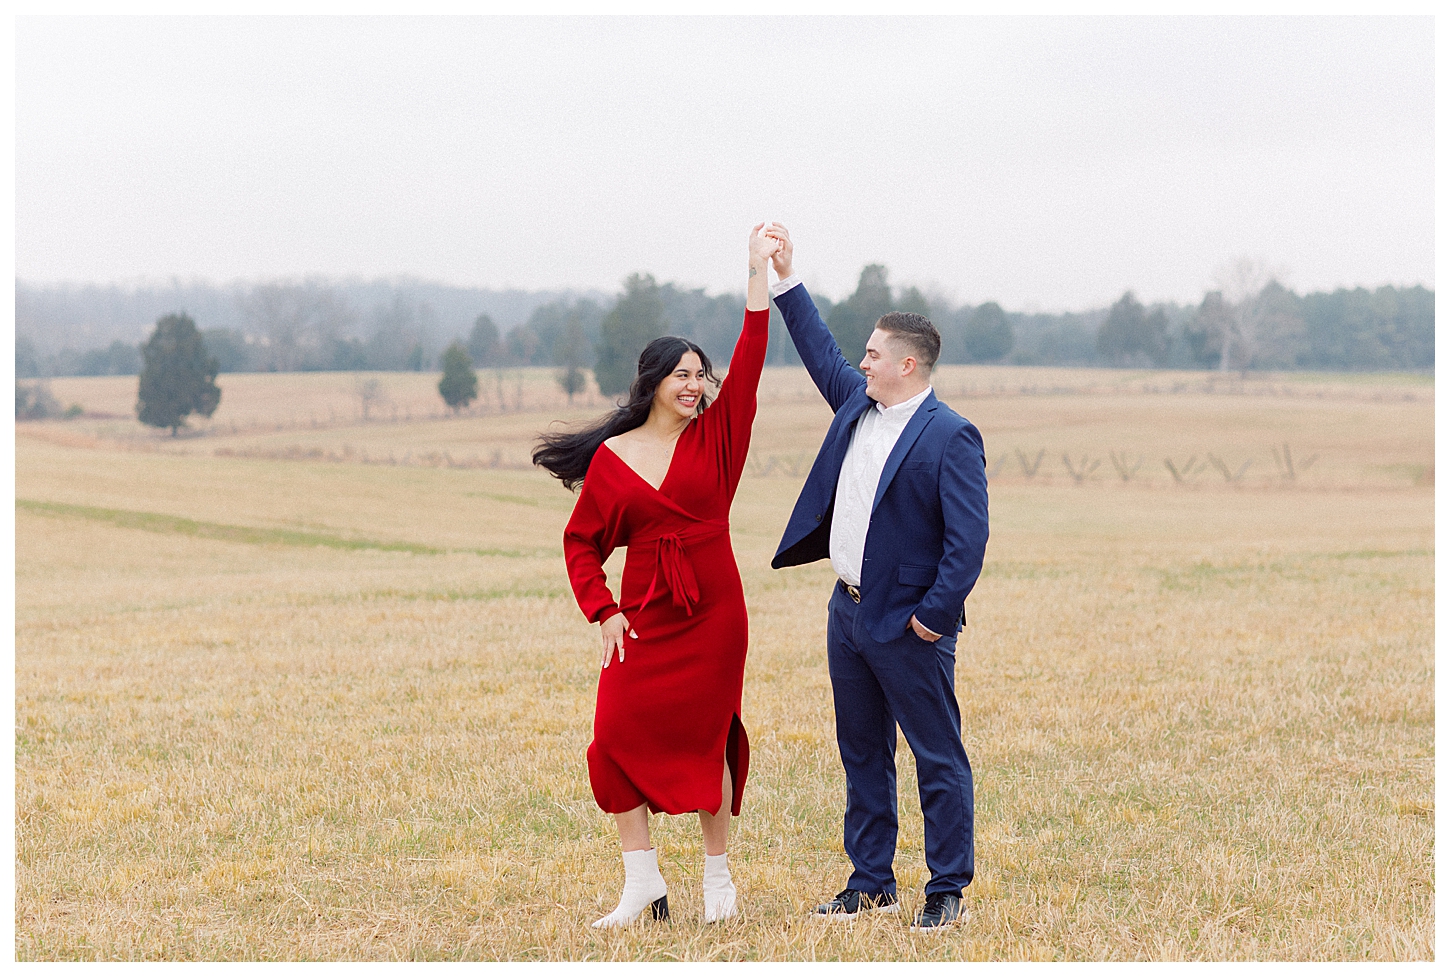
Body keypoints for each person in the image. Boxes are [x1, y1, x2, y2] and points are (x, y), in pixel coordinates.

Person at [532, 225, 779, 928]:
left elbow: (754, 353)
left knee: (709, 735)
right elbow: (581, 543)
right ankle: (641, 879)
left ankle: (718, 880)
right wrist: (603, 610)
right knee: (612, 732)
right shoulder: (612, 459)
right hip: (644, 614)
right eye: (683, 375)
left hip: (715, 612)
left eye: (702, 374)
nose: (697, 385)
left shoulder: (721, 435)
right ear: (654, 383)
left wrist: (755, 270)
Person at [763, 223, 989, 932]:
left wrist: (932, 616)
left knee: (935, 756)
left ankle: (946, 888)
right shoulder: (857, 404)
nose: (861, 363)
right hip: (848, 612)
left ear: (909, 365)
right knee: (861, 750)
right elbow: (817, 349)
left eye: (874, 355)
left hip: (909, 623)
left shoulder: (950, 435)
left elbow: (969, 538)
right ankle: (870, 883)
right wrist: (785, 277)